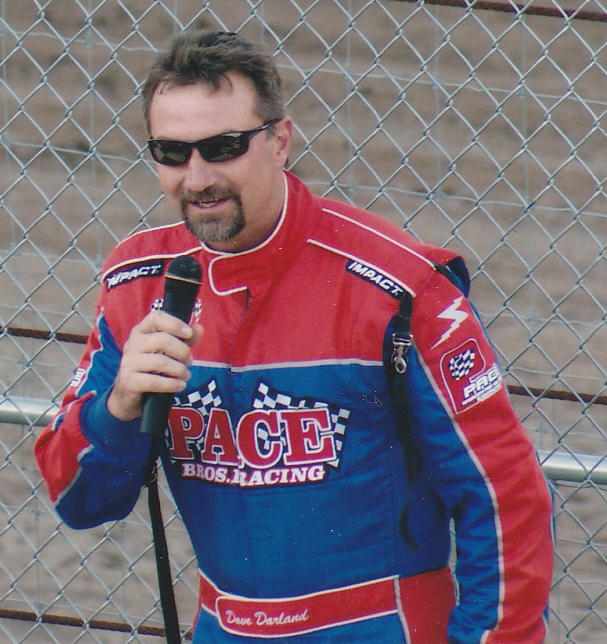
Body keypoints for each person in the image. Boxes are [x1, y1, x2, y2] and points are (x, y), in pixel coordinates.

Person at [34, 29, 553, 644]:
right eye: (171, 153)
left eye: (223, 147)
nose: (196, 177)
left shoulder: (399, 287)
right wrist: (119, 407)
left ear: (280, 141)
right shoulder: (137, 281)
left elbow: (504, 495)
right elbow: (77, 499)